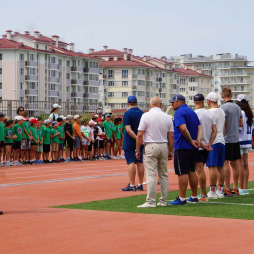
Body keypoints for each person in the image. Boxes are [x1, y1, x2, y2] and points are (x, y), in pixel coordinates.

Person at [136, 97, 174, 208]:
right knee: (163, 174)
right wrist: (171, 150)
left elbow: (139, 134)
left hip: (151, 145)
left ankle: (151, 201)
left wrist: (137, 149)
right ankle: (163, 201)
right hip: (163, 145)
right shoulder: (167, 117)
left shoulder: (146, 116)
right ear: (161, 105)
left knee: (151, 174)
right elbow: (171, 136)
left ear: (150, 105)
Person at [168, 94, 202, 205]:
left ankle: (182, 198)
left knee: (182, 172)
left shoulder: (179, 113)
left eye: (173, 102)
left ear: (179, 102)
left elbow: (182, 129)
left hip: (182, 146)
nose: (172, 104)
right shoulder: (192, 112)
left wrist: (192, 140)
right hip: (192, 147)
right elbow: (199, 128)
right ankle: (194, 196)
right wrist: (197, 140)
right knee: (191, 171)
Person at [193, 94, 217, 201]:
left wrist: (202, 144)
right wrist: (209, 144)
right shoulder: (209, 113)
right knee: (200, 169)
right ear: (203, 101)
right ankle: (203, 194)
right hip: (206, 145)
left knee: (199, 170)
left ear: (194, 102)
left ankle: (203, 195)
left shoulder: (194, 114)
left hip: (198, 145)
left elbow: (193, 132)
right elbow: (215, 130)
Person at [221, 87, 243, 196]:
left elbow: (223, 124)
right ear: (232, 95)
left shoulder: (223, 107)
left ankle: (227, 188)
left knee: (226, 163)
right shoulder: (238, 108)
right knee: (235, 164)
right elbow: (241, 123)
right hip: (235, 138)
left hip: (226, 139)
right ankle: (235, 188)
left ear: (222, 96)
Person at [121, 96, 145, 191]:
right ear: (137, 102)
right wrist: (140, 139)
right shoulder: (142, 113)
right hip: (141, 140)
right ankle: (140, 184)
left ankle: (132, 185)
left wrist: (136, 139)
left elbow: (128, 129)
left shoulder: (127, 114)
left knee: (131, 162)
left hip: (130, 142)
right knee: (139, 162)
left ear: (128, 103)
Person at [205, 92, 226, 199]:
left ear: (209, 101)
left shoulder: (209, 112)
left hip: (213, 141)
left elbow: (209, 128)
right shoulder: (221, 111)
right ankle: (220, 191)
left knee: (212, 166)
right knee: (220, 166)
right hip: (222, 140)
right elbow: (224, 126)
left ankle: (212, 191)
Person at [236, 94, 253, 195]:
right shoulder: (249, 113)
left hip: (240, 140)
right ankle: (245, 187)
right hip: (247, 140)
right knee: (245, 165)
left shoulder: (240, 112)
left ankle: (241, 187)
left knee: (240, 165)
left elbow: (239, 127)